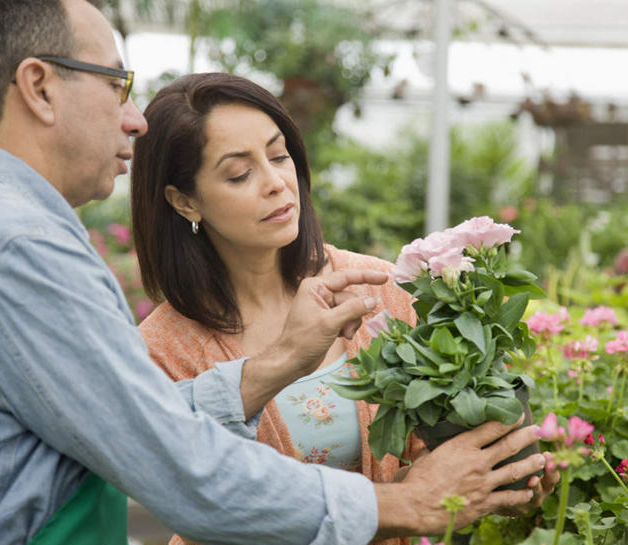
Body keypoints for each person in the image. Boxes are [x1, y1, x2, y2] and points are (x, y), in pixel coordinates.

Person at [0, 1, 555, 544]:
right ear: (39, 86)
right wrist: (403, 503)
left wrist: (491, 465)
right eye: (117, 84)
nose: (134, 119)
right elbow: (176, 464)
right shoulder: (18, 249)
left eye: (280, 155)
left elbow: (131, 427)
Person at [131, 72, 557, 545]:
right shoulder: (162, 351)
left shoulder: (374, 287)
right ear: (185, 201)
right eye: (240, 173)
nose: (275, 183)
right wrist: (404, 503)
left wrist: (501, 476)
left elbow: (430, 465)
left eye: (278, 155)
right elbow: (221, 515)